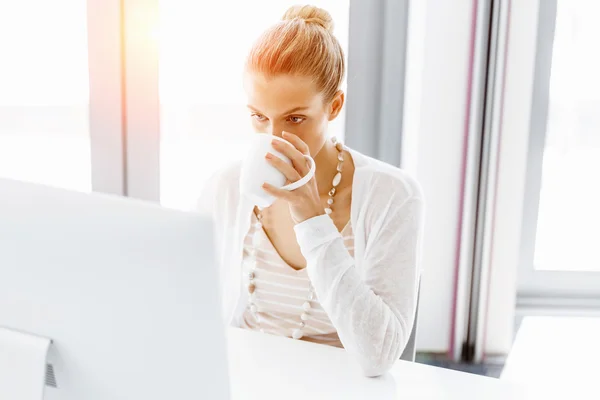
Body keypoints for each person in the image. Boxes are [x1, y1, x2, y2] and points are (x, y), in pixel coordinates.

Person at [201, 5, 424, 377]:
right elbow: (191, 306)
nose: (273, 140)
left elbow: (379, 356)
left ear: (334, 106)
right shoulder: (227, 187)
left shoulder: (393, 196)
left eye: (295, 118)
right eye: (259, 116)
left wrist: (312, 218)